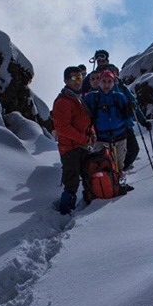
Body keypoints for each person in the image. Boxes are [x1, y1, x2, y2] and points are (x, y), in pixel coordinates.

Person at [52, 66, 96, 214]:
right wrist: (84, 139)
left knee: (88, 176)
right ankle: (64, 214)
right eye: (73, 78)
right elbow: (63, 128)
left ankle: (88, 204)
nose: (78, 81)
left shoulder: (77, 98)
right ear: (66, 80)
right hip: (70, 149)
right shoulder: (63, 102)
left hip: (82, 147)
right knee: (71, 183)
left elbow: (86, 120)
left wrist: (92, 134)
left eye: (80, 77)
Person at [84, 69, 132, 174]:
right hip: (101, 139)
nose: (106, 84)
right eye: (104, 81)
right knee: (101, 166)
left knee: (119, 166)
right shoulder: (91, 98)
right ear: (99, 82)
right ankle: (105, 188)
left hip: (120, 137)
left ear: (114, 82)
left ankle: (118, 186)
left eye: (109, 81)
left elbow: (128, 115)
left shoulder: (120, 97)